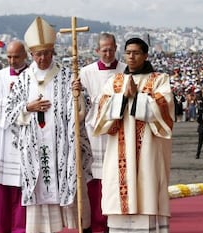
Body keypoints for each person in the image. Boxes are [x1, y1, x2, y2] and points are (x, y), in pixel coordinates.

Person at [5, 16, 93, 233]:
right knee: (40, 205)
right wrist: (28, 108)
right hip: (36, 151)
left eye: (46, 53)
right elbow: (9, 113)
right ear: (31, 54)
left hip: (63, 149)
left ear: (53, 52)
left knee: (71, 188)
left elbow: (83, 110)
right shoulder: (24, 80)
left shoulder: (66, 76)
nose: (42, 58)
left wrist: (78, 94)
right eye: (38, 54)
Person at [93, 37, 174, 233]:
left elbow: (165, 107)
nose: (131, 56)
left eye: (136, 52)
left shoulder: (159, 79)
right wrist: (123, 97)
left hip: (148, 150)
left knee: (147, 186)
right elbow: (102, 109)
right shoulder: (115, 81)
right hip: (118, 151)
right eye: (128, 52)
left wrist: (137, 97)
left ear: (145, 55)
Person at [79, 32, 126, 233]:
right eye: (103, 49)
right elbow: (79, 99)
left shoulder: (126, 70)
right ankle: (96, 222)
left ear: (116, 48)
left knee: (117, 176)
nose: (107, 53)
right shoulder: (86, 72)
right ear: (97, 50)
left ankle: (117, 221)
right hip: (95, 131)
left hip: (119, 129)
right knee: (96, 177)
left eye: (110, 49)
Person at [0, 41, 29, 233]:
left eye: (16, 56)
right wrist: (13, 101)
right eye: (9, 57)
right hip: (4, 137)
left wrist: (21, 106)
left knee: (24, 187)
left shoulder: (34, 75)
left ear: (25, 55)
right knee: (2, 188)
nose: (12, 60)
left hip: (28, 137)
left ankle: (21, 229)